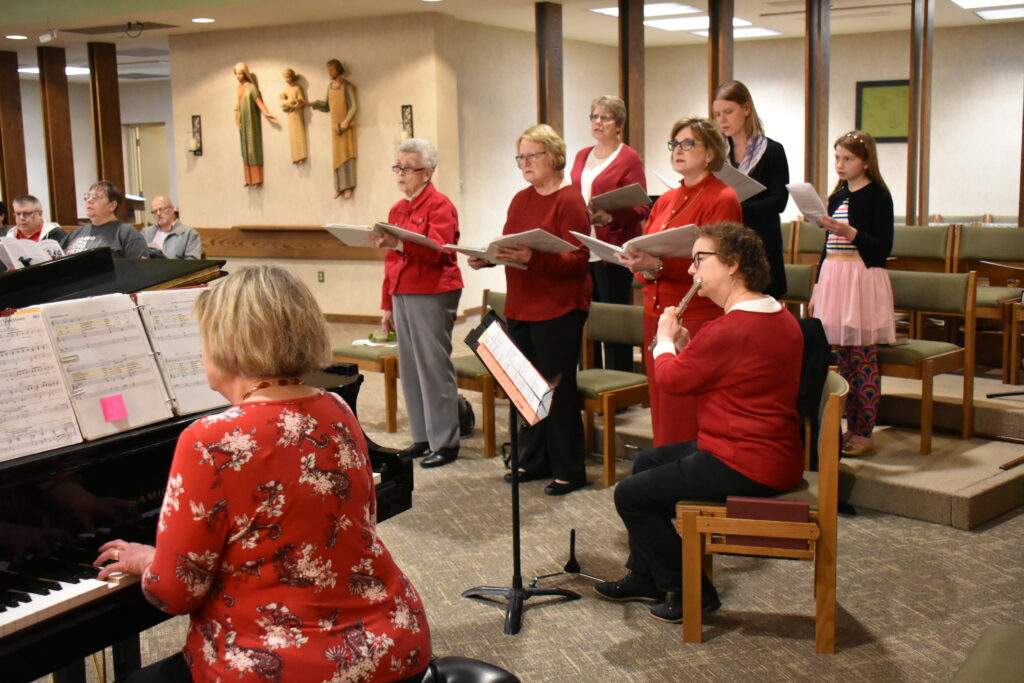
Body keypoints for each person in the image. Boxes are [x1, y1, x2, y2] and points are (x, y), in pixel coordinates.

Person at [93, 266, 431, 683]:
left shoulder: (210, 440)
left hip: (284, 667)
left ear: (228, 345)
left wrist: (148, 559)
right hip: (394, 646)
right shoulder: (336, 409)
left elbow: (175, 593)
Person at [596, 222, 804, 623]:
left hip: (746, 460)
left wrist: (664, 340)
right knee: (646, 463)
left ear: (733, 265)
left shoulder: (731, 327)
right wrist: (688, 347)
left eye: (699, 260)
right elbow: (736, 374)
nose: (691, 271)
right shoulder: (776, 313)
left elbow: (671, 380)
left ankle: (691, 590)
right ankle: (644, 575)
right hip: (764, 448)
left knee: (630, 495)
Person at [467, 124, 591, 496]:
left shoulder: (569, 200)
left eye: (531, 156)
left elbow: (578, 261)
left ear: (553, 158)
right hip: (522, 305)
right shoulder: (520, 200)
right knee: (526, 391)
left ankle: (569, 468)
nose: (524, 163)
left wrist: (533, 258)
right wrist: (489, 259)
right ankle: (534, 460)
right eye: (520, 157)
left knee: (557, 390)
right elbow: (510, 247)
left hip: (559, 308)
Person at [617, 116, 742, 447]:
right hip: (656, 311)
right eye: (675, 144)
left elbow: (714, 266)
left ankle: (684, 479)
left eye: (689, 144)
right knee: (661, 401)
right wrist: (638, 262)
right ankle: (664, 468)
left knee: (686, 406)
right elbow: (648, 251)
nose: (679, 150)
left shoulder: (722, 197)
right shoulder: (667, 199)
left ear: (711, 152)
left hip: (695, 314)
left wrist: (656, 265)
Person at [373, 138, 463, 469]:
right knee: (410, 368)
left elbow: (439, 252)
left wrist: (398, 243)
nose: (401, 174)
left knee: (433, 368)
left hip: (433, 291)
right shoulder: (398, 209)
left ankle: (446, 441)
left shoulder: (441, 206)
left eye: (408, 168)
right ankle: (422, 437)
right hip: (402, 292)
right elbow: (391, 260)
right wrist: (386, 304)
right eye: (397, 167)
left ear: (427, 172)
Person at [810, 130, 895, 457]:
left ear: (866, 161)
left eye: (848, 159)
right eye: (837, 158)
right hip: (834, 275)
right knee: (842, 358)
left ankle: (864, 430)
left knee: (862, 357)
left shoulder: (878, 196)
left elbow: (882, 248)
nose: (840, 165)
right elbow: (826, 248)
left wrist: (850, 231)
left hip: (861, 277)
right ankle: (844, 425)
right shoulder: (837, 195)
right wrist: (817, 285)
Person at [569, 95, 648, 372]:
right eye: (594, 116)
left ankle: (619, 384)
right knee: (585, 315)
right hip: (583, 245)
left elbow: (641, 206)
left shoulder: (629, 158)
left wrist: (612, 216)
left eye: (605, 117)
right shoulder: (581, 155)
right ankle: (590, 376)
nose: (598, 122)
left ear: (619, 125)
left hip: (613, 247)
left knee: (613, 317)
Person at [712, 80, 789, 299]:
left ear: (746, 109)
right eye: (717, 114)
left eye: (728, 111)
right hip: (729, 243)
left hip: (762, 242)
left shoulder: (772, 150)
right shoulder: (717, 155)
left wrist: (737, 207)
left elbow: (779, 201)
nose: (722, 120)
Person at [311, 59, 358, 199]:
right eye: (328, 70)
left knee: (347, 156)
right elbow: (326, 106)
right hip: (335, 128)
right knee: (337, 157)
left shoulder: (347, 86)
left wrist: (346, 122)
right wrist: (312, 104)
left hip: (346, 127)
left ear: (338, 69)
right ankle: (339, 186)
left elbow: (353, 107)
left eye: (331, 69)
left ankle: (348, 186)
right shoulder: (330, 86)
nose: (329, 72)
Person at [64, 181, 148, 259]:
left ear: (112, 205)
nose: (89, 200)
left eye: (96, 197)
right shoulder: (76, 233)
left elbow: (141, 270)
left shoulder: (126, 233)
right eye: (87, 196)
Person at [233, 62, 277, 187]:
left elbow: (258, 102)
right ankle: (248, 179)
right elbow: (238, 103)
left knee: (253, 149)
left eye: (240, 73)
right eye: (236, 73)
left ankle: (257, 179)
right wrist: (236, 114)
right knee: (245, 149)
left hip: (251, 122)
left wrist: (267, 113)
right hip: (242, 121)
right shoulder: (238, 88)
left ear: (245, 73)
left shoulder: (251, 87)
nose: (238, 76)